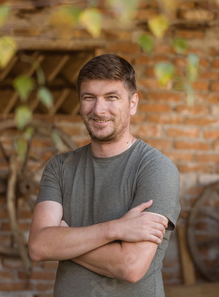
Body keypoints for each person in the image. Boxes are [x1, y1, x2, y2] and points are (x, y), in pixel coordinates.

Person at [28, 53, 181, 296]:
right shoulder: (60, 167)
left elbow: (130, 266)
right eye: (89, 97)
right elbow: (38, 247)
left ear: (132, 103)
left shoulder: (155, 168)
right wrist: (116, 229)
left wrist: (64, 239)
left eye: (111, 97)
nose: (99, 110)